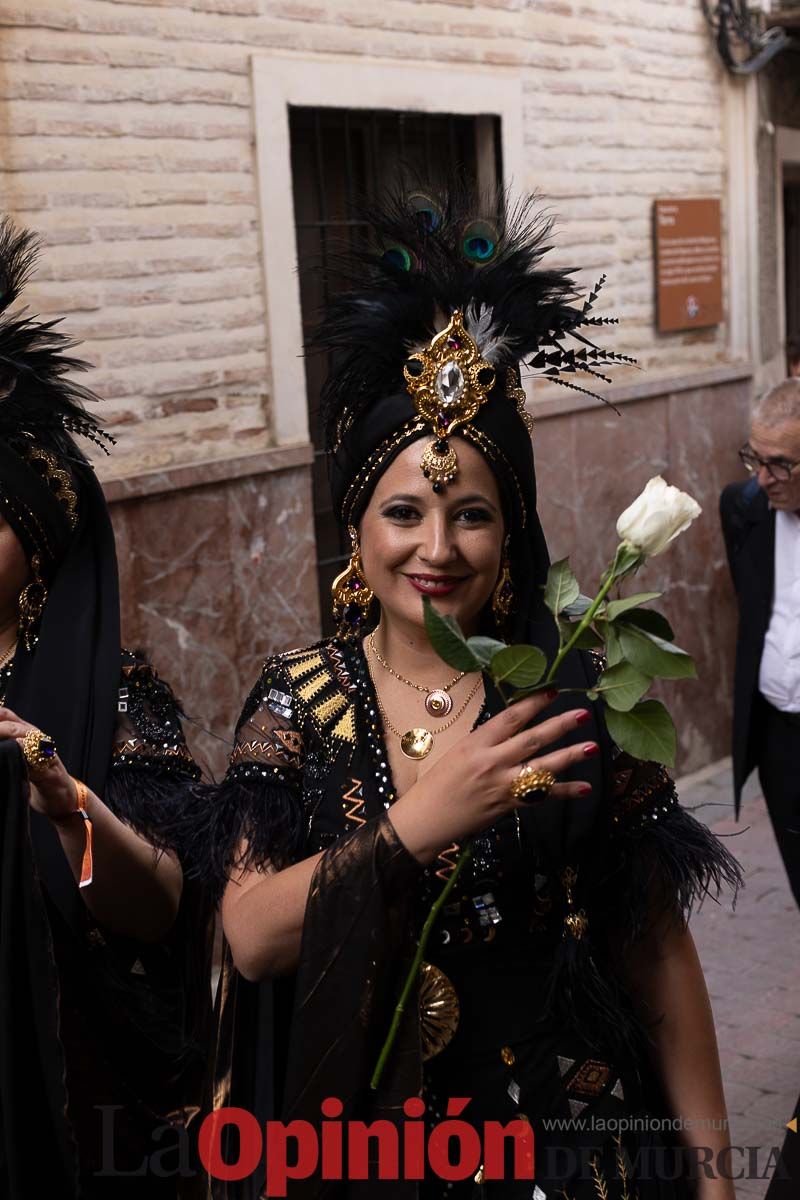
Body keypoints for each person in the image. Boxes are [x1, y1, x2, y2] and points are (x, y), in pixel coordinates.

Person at [195, 185, 741, 1199]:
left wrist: (711, 1181)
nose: (435, 549)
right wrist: (414, 828)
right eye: (403, 510)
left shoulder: (567, 698)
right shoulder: (298, 697)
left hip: (568, 1151)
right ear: (357, 530)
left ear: (512, 538)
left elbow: (657, 955)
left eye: (472, 516)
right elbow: (251, 937)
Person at [0, 217, 213, 1198]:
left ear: (39, 559)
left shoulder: (115, 706)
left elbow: (164, 907)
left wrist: (66, 803)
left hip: (75, 1119)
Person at [720, 378, 800, 908]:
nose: (764, 478)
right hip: (778, 733)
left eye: (782, 465)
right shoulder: (741, 507)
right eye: (755, 458)